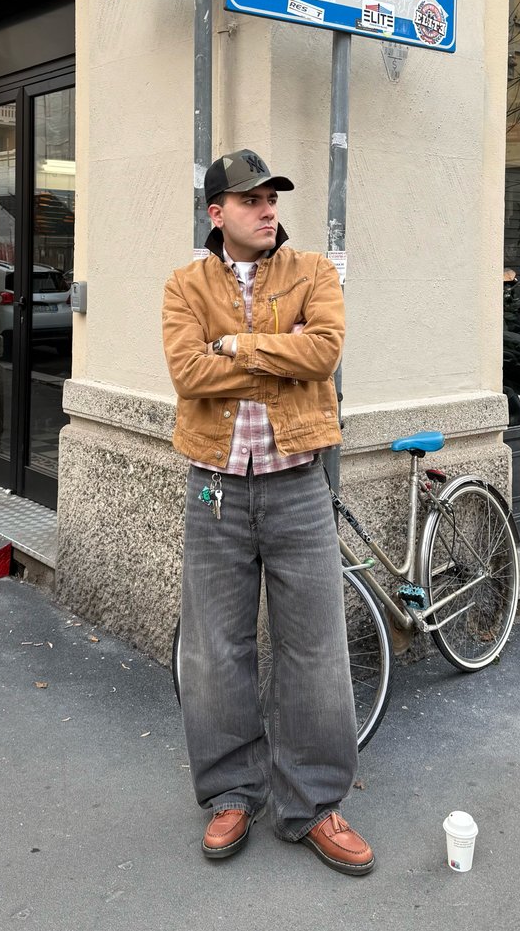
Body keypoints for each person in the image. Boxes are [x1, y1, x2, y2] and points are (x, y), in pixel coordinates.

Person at [162, 148, 374, 876]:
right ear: (217, 212)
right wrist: (274, 358)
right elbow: (188, 371)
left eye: (271, 197)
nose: (266, 208)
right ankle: (232, 792)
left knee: (315, 649)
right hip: (214, 488)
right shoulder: (185, 284)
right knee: (214, 651)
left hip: (297, 485)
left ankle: (313, 803)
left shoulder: (312, 272)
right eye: (250, 199)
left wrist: (238, 345)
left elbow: (323, 353)